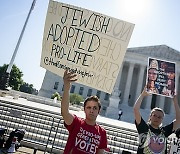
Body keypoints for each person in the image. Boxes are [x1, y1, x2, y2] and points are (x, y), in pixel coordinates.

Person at [61, 70, 108, 154]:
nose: (91, 110)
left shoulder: (102, 133)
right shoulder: (76, 123)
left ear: (99, 111)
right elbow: (64, 112)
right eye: (89, 107)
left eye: (95, 108)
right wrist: (67, 88)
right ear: (84, 109)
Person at [133, 86, 180, 153]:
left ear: (162, 119)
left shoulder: (164, 131)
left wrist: (175, 101)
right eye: (154, 115)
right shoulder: (144, 128)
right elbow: (136, 110)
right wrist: (142, 95)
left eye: (159, 117)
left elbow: (178, 119)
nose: (157, 118)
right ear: (150, 117)